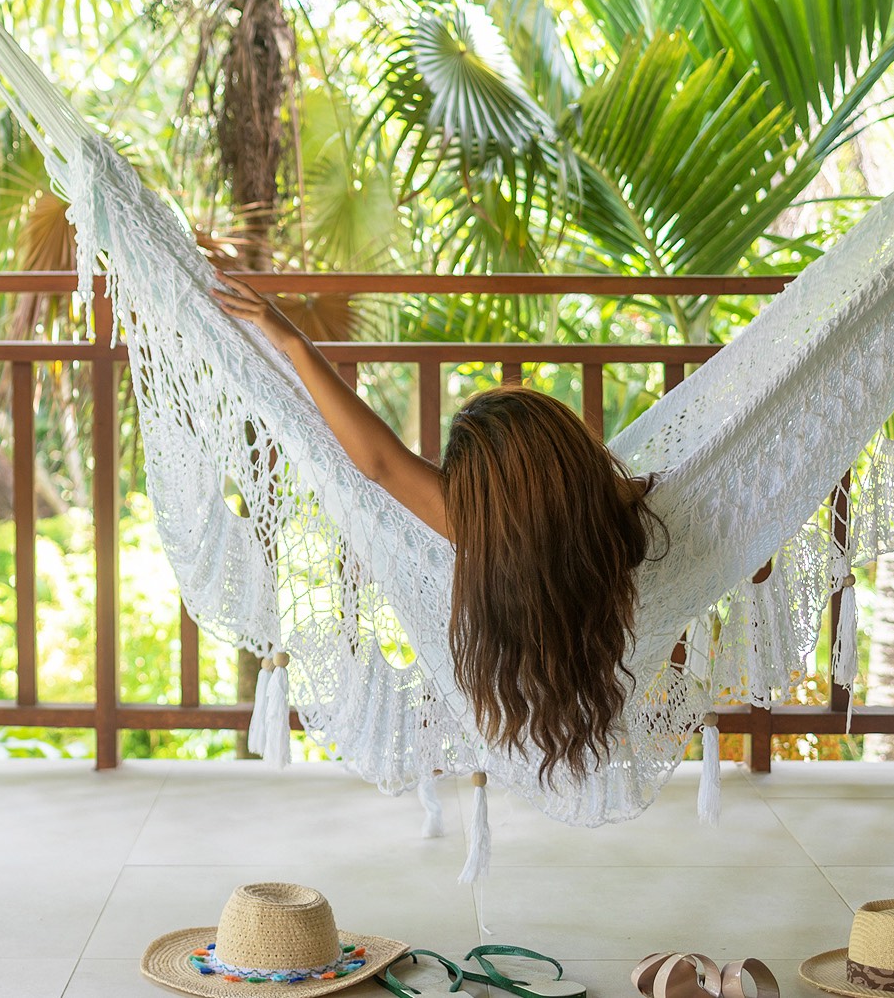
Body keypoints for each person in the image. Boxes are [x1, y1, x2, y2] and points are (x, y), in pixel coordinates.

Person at [213, 272, 665, 783]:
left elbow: (379, 462)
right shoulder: (615, 510)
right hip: (591, 674)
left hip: (526, 693)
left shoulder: (477, 527)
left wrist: (290, 339)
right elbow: (381, 461)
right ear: (570, 455)